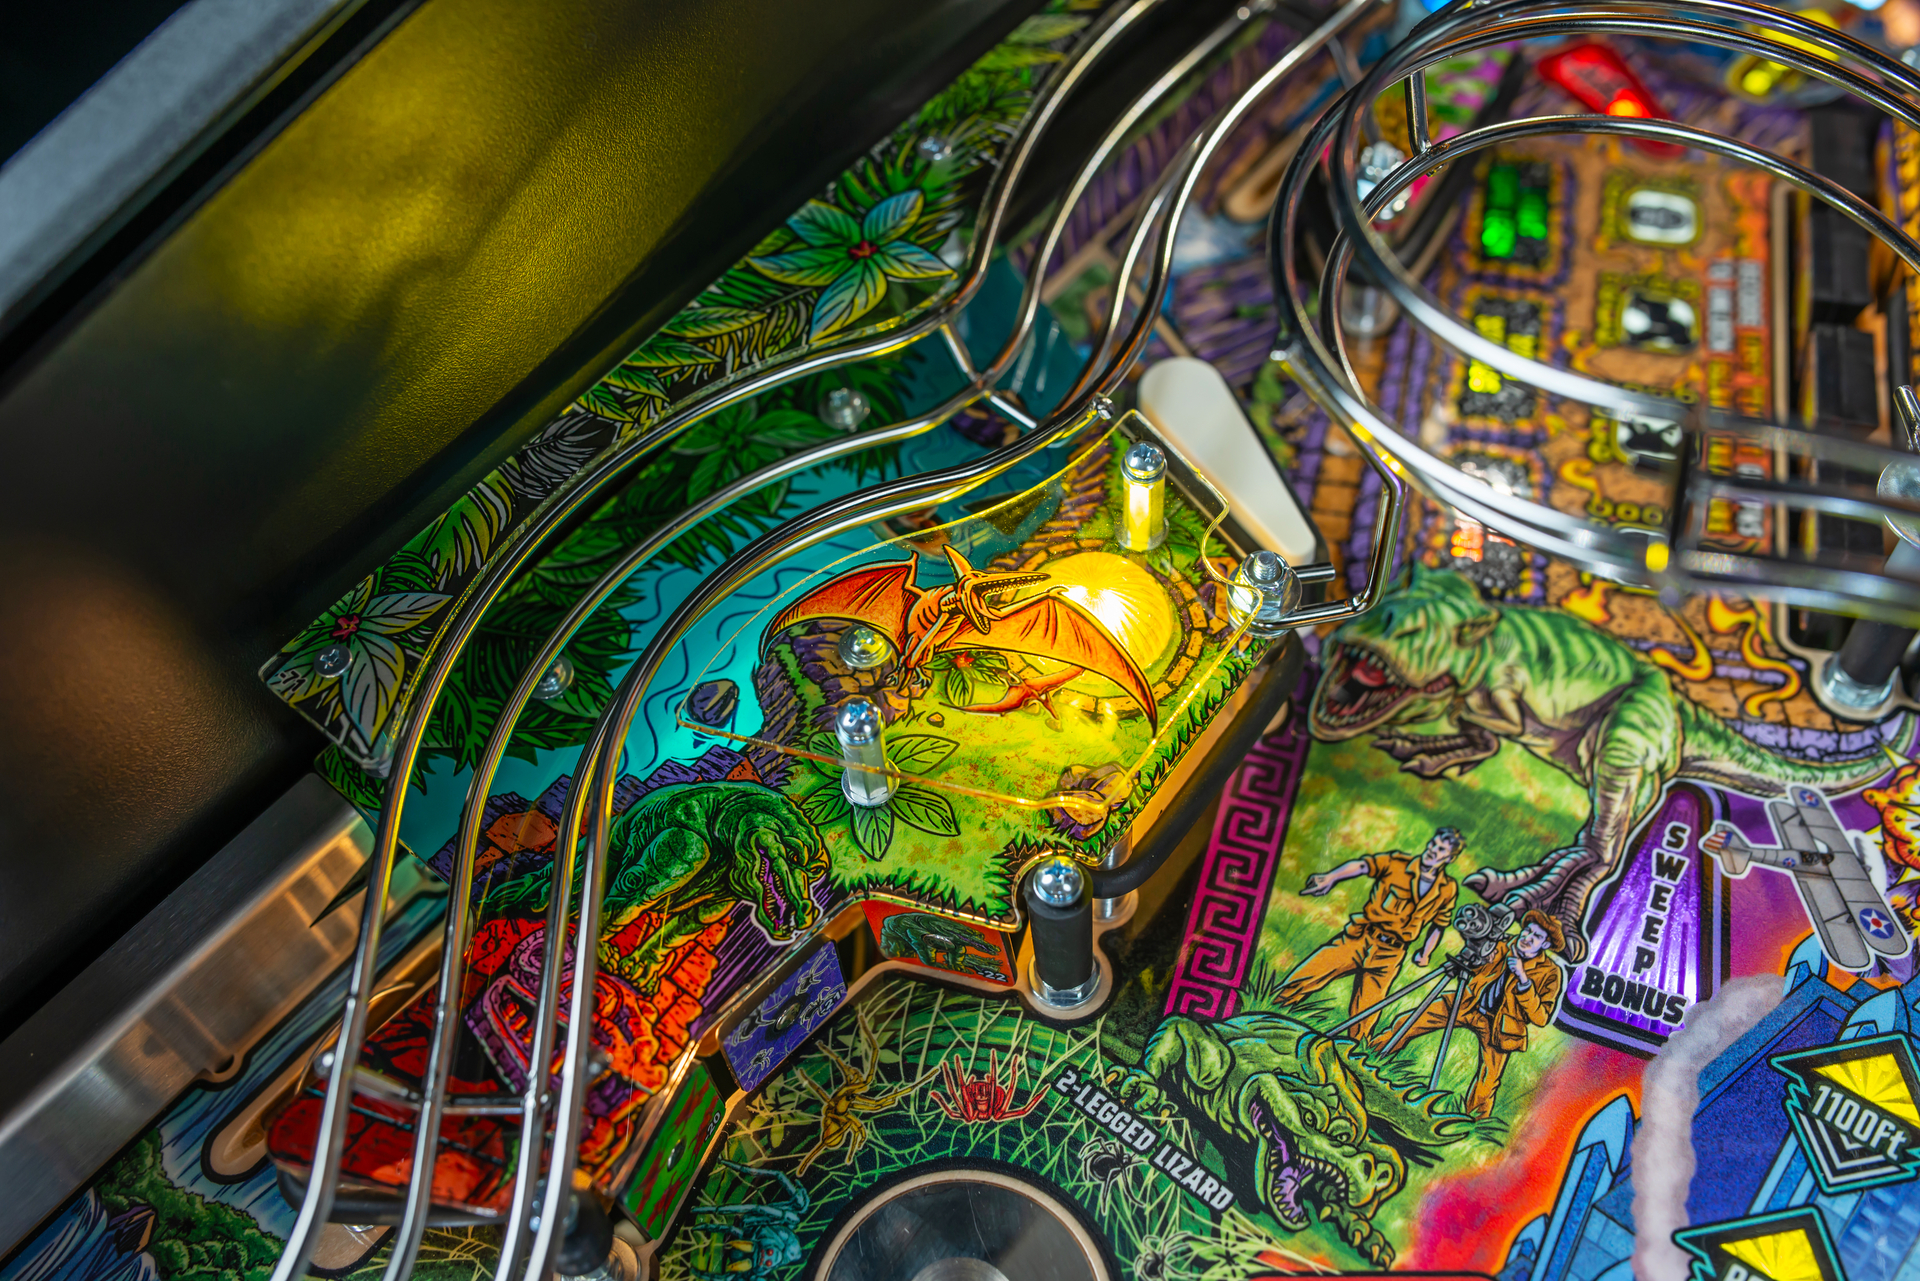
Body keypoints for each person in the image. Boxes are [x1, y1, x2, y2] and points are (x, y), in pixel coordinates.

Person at [1373, 910, 1567, 1118]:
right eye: (1527, 931)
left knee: (1488, 1079)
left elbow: (1541, 1017)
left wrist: (1523, 979)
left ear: (1546, 944)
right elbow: (1474, 965)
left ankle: (1472, 1121)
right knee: (1411, 1021)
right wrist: (1480, 958)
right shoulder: (1501, 943)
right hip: (1467, 1002)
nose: (1527, 938)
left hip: (1500, 1026)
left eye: (1536, 936)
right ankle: (1374, 1054)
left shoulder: (1550, 972)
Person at [1275, 827, 1464, 1039]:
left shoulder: (1447, 888)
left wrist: (1426, 953)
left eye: (1441, 849)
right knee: (1304, 978)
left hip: (1390, 956)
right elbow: (1363, 865)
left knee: (1365, 1019)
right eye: (1433, 844)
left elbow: (1439, 924)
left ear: (1450, 858)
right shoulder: (1397, 863)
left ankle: (1348, 1054)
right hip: (1361, 938)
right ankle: (1268, 1011)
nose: (1433, 850)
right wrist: (1331, 877)